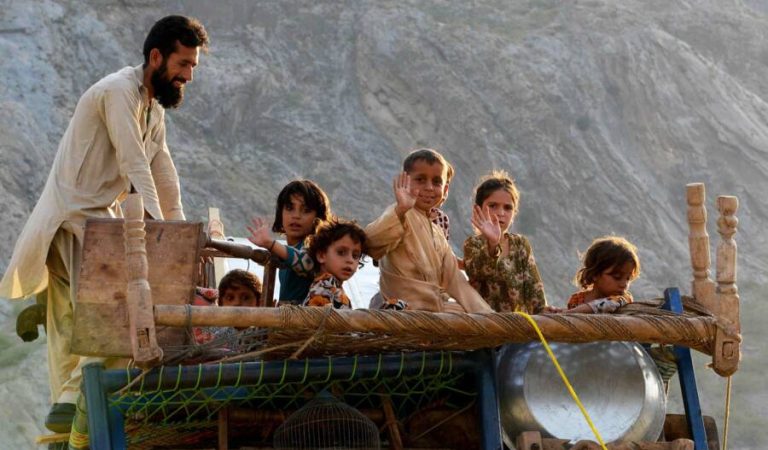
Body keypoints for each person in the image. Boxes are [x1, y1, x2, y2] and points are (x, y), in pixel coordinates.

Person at [0, 15, 209, 432]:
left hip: (99, 223)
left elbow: (162, 170)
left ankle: (64, 420)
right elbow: (134, 162)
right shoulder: (118, 92)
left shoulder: (152, 107)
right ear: (155, 56)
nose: (187, 75)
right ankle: (72, 405)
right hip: (78, 219)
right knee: (110, 319)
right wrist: (163, 236)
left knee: (73, 328)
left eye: (192, 67)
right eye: (183, 64)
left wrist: (183, 234)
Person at [364, 148, 492, 313]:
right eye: (420, 179)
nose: (429, 187)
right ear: (405, 181)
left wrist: (489, 317)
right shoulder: (400, 214)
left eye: (436, 182)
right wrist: (401, 210)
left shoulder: (438, 233)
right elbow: (370, 243)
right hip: (404, 311)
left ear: (445, 189)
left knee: (472, 318)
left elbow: (457, 282)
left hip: (435, 310)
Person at [463, 170, 549, 314]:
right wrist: (492, 243)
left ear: (514, 213)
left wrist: (545, 311)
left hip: (522, 328)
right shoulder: (473, 244)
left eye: (507, 208)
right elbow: (477, 272)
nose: (501, 213)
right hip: (487, 325)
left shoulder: (520, 244)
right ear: (478, 209)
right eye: (493, 206)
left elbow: (535, 290)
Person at [247, 180, 332, 304]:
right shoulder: (287, 250)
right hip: (287, 318)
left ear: (318, 217)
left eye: (306, 210)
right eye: (289, 208)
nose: (296, 216)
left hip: (305, 321)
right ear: (280, 213)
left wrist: (271, 244)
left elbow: (306, 263)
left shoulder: (315, 247)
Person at [566, 236, 639, 314]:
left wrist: (572, 312)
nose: (624, 284)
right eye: (617, 277)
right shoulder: (577, 300)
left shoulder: (623, 300)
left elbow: (606, 305)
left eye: (628, 278)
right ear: (595, 274)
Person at [302, 218, 366, 309]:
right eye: (341, 252)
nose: (350, 260)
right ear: (321, 255)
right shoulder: (325, 286)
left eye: (355, 256)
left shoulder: (332, 287)